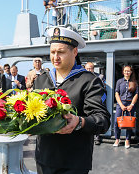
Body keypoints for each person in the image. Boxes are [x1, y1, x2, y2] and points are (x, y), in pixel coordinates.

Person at [33, 27, 111, 174]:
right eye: (52, 52)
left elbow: (102, 120)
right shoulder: (41, 80)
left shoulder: (89, 81)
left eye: (61, 52)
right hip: (44, 159)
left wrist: (79, 122)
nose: (55, 57)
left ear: (74, 52)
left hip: (73, 163)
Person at [113, 65, 138, 149]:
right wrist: (121, 105)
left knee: (129, 123)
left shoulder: (134, 82)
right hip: (121, 104)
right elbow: (117, 94)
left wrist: (131, 105)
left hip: (130, 104)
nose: (127, 72)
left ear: (131, 72)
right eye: (125, 71)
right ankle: (117, 138)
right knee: (117, 122)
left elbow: (136, 95)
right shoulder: (119, 81)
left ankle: (127, 139)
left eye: (128, 71)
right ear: (123, 72)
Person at [85, 62, 106, 145]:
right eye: (87, 68)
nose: (89, 70)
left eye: (90, 68)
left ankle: (97, 137)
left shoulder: (100, 77)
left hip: (97, 101)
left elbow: (104, 89)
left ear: (93, 69)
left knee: (96, 118)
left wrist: (101, 100)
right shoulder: (83, 77)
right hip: (86, 101)